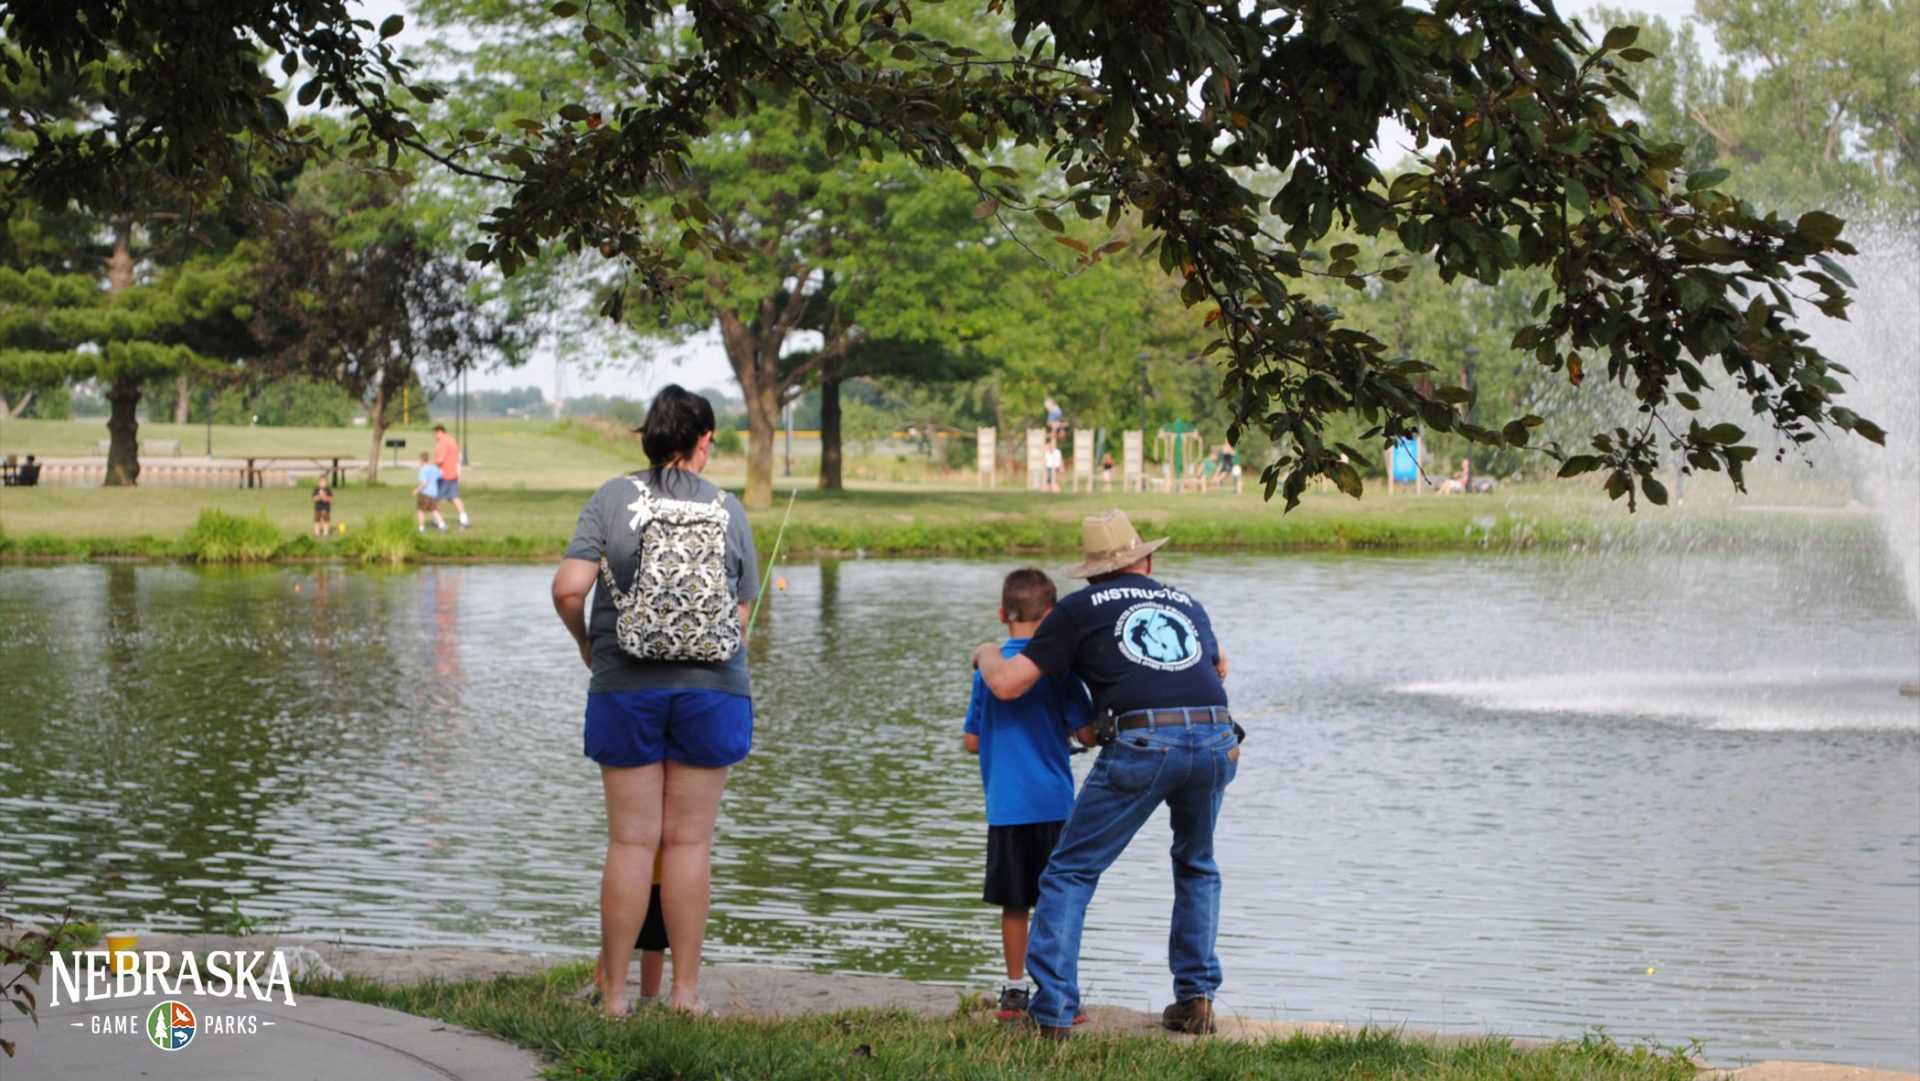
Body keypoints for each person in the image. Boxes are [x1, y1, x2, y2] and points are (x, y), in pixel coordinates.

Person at [972, 509, 1238, 1040]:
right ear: (1147, 560)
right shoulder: (1187, 603)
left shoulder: (1075, 610)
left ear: (1092, 572)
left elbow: (1006, 684)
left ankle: (1051, 1014)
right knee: (1196, 863)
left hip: (1144, 741)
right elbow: (1220, 666)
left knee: (1068, 872)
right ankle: (1196, 999)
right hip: (1216, 737)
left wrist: (983, 653)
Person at [550, 384, 759, 1017]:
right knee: (690, 844)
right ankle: (686, 996)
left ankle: (614, 998)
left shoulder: (613, 498)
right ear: (703, 441)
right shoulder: (729, 508)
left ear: (647, 437)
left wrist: (591, 642)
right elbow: (741, 613)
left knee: (632, 844)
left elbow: (567, 588)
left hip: (625, 686)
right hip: (712, 689)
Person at [963, 568, 1092, 1022]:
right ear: (1053, 615)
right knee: (1059, 901)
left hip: (1006, 807)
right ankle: (1060, 992)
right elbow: (1087, 732)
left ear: (1002, 614)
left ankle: (1014, 991)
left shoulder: (989, 670)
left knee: (1014, 902)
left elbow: (973, 741)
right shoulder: (1058, 671)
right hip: (1055, 804)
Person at [432, 424, 470, 529]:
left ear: (439, 432)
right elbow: (459, 458)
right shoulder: (453, 441)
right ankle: (464, 519)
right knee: (455, 498)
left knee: (436, 499)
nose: (435, 437)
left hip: (443, 475)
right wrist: (459, 474)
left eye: (435, 434)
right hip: (453, 474)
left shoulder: (442, 442)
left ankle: (438, 521)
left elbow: (440, 459)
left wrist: (430, 465)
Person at [413, 452, 448, 533]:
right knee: (434, 510)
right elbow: (441, 475)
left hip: (425, 493)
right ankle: (442, 524)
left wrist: (416, 490)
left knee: (421, 510)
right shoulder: (434, 468)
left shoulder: (423, 470)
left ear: (421, 460)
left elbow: (424, 483)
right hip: (433, 493)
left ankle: (421, 528)